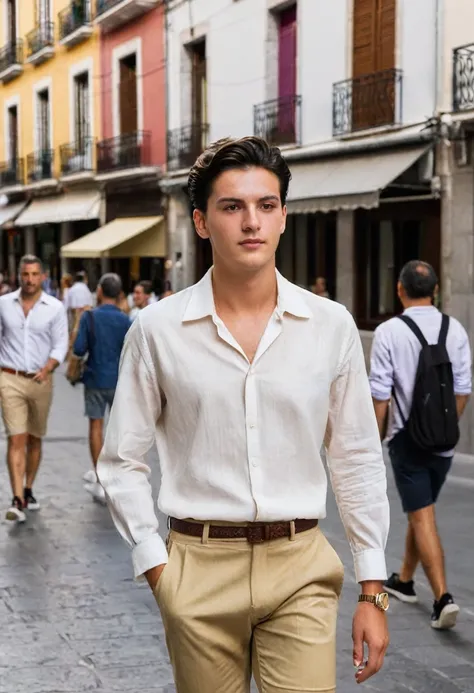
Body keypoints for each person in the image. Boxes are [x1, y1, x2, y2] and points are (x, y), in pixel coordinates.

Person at [97, 137, 390, 692]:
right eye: (232, 207)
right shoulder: (157, 331)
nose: (251, 221)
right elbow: (121, 461)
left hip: (300, 564)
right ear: (203, 222)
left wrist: (373, 591)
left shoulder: (331, 326)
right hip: (197, 567)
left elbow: (356, 457)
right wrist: (161, 572)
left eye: (267, 205)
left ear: (283, 216)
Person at [369, 260, 471, 630]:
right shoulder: (455, 329)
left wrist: (374, 440)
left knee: (422, 514)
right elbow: (463, 388)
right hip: (443, 442)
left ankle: (443, 598)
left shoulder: (389, 332)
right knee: (421, 509)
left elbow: (380, 395)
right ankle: (405, 580)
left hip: (407, 440)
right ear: (436, 291)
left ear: (400, 290)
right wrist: (443, 427)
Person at [0, 255, 68, 522]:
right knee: (16, 437)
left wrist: (50, 365)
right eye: (25, 274)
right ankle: (17, 499)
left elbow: (61, 343)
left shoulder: (55, 307)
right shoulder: (4, 304)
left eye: (34, 274)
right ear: (19, 275)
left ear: (43, 276)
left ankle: (28, 489)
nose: (29, 280)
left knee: (35, 438)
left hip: (41, 380)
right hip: (10, 378)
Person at [73, 273, 130, 503]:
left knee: (96, 426)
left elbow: (79, 349)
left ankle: (100, 476)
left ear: (99, 291)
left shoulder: (90, 317)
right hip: (119, 380)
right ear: (119, 294)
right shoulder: (126, 320)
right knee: (118, 430)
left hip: (95, 378)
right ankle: (117, 475)